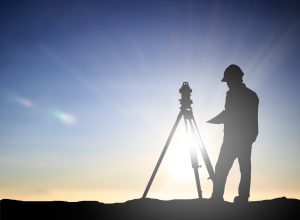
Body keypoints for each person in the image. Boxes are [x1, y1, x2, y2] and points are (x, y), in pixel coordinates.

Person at [208, 64, 259, 203]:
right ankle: (243, 198)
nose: (228, 84)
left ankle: (217, 197)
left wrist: (212, 121)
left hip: (233, 139)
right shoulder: (252, 95)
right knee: (244, 169)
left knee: (222, 168)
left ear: (235, 79)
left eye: (229, 81)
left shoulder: (233, 94)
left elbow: (230, 114)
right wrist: (252, 137)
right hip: (245, 138)